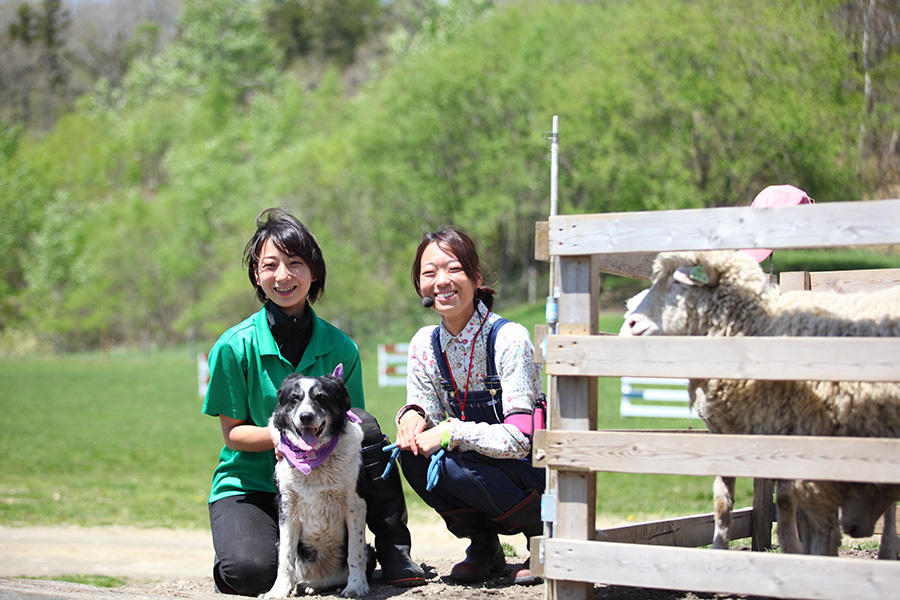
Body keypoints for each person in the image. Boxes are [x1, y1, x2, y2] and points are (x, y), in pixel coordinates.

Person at [202, 208, 425, 596]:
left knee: (368, 427)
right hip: (252, 483)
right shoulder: (232, 346)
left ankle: (393, 548)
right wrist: (282, 441)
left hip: (323, 482)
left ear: (314, 271)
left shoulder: (341, 346)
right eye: (270, 265)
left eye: (295, 263)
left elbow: (351, 427)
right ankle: (238, 551)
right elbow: (233, 435)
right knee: (250, 574)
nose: (283, 276)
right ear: (257, 275)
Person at [394, 227, 546, 585]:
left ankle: (543, 539)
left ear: (476, 278)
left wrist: (450, 431)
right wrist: (413, 418)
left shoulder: (508, 337)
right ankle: (484, 546)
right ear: (419, 286)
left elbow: (521, 439)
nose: (442, 281)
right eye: (429, 273)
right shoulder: (423, 344)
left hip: (529, 469)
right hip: (476, 464)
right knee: (412, 457)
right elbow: (424, 408)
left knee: (453, 463)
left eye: (454, 269)